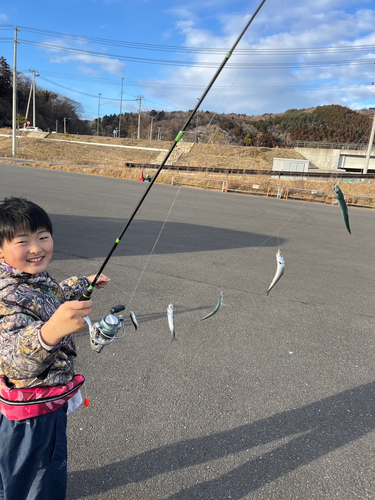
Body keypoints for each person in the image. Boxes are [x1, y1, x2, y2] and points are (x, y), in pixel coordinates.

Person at [0, 197, 110, 500]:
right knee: (28, 480)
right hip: (29, 413)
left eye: (43, 237)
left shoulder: (29, 277)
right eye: (23, 241)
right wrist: (50, 332)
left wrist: (82, 283)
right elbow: (14, 360)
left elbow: (52, 293)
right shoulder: (7, 298)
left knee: (30, 472)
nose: (36, 248)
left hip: (39, 405)